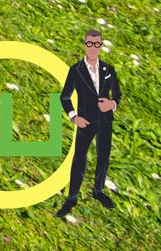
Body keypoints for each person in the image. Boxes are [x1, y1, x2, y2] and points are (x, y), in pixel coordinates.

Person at [56, 27, 120, 217]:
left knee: (104, 156)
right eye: (90, 44)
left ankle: (98, 191)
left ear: (101, 46)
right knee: (79, 158)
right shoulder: (76, 70)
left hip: (105, 120)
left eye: (97, 44)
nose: (93, 47)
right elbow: (65, 97)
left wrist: (112, 104)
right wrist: (74, 117)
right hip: (86, 121)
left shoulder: (108, 69)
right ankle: (72, 197)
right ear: (85, 45)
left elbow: (117, 93)